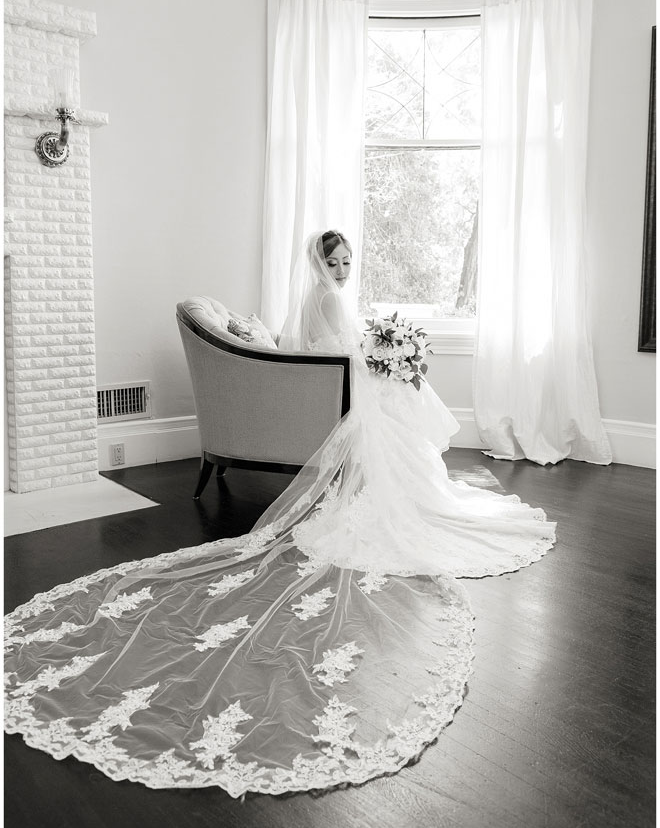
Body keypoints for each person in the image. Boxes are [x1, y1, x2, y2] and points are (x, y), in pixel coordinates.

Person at [4, 230, 555, 797]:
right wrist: (384, 360)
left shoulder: (318, 295)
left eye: (347, 262)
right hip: (332, 387)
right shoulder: (329, 298)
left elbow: (329, 350)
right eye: (334, 262)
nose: (342, 271)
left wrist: (383, 357)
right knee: (399, 415)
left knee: (396, 416)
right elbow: (340, 354)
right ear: (320, 263)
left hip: (331, 385)